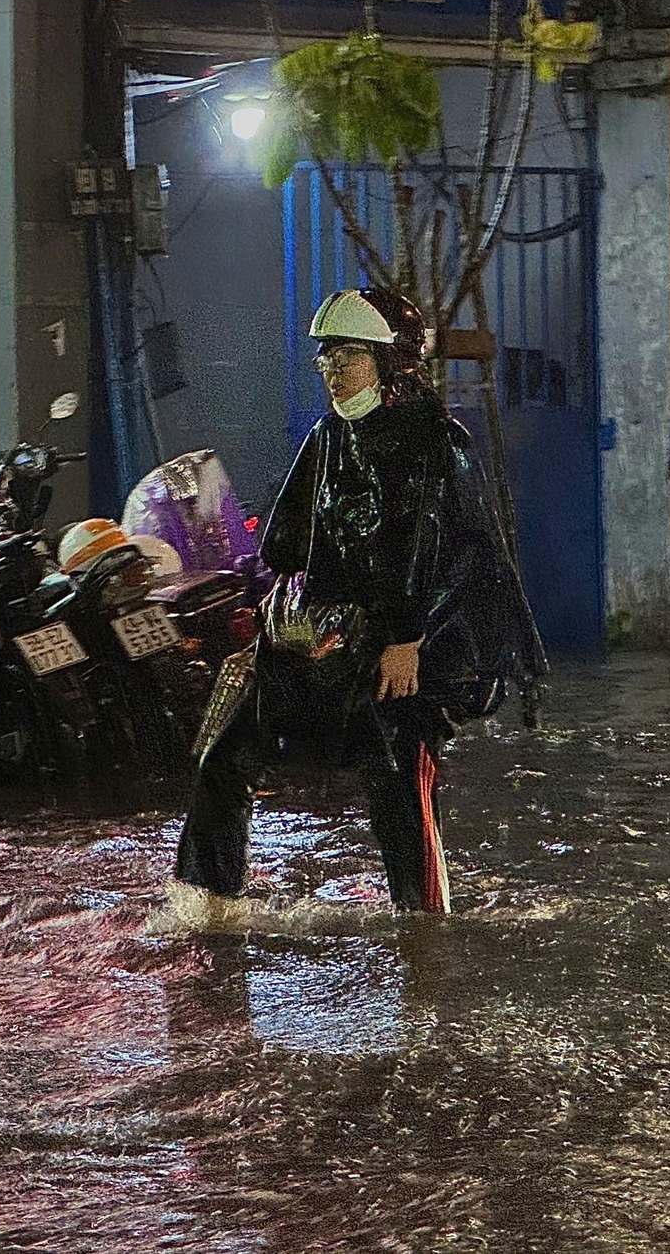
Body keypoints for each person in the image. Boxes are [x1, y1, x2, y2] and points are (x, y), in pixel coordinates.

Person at [173, 288, 544, 914]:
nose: (332, 374)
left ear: (389, 361)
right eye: (326, 361)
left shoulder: (437, 441)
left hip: (409, 651)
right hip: (326, 641)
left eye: (347, 359)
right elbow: (284, 539)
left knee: (398, 780)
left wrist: (408, 639)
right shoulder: (327, 437)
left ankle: (423, 926)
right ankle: (210, 906)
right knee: (223, 756)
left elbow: (460, 554)